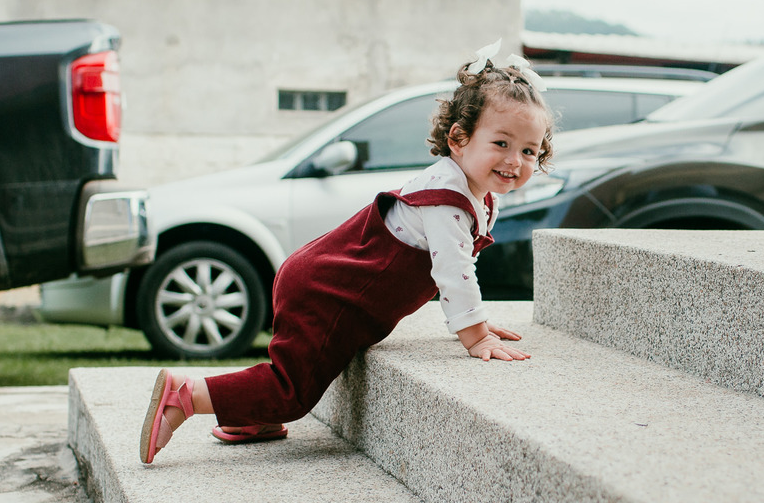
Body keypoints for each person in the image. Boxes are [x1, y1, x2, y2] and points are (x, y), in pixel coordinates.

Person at [140, 42, 555, 464]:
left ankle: (250, 413)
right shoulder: (447, 198)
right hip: (327, 290)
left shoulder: (478, 194)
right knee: (293, 392)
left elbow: (462, 258)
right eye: (501, 143)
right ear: (459, 139)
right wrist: (475, 333)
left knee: (295, 369)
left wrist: (476, 316)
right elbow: (453, 269)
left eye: (528, 151)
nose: (515, 161)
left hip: (333, 285)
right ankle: (183, 396)